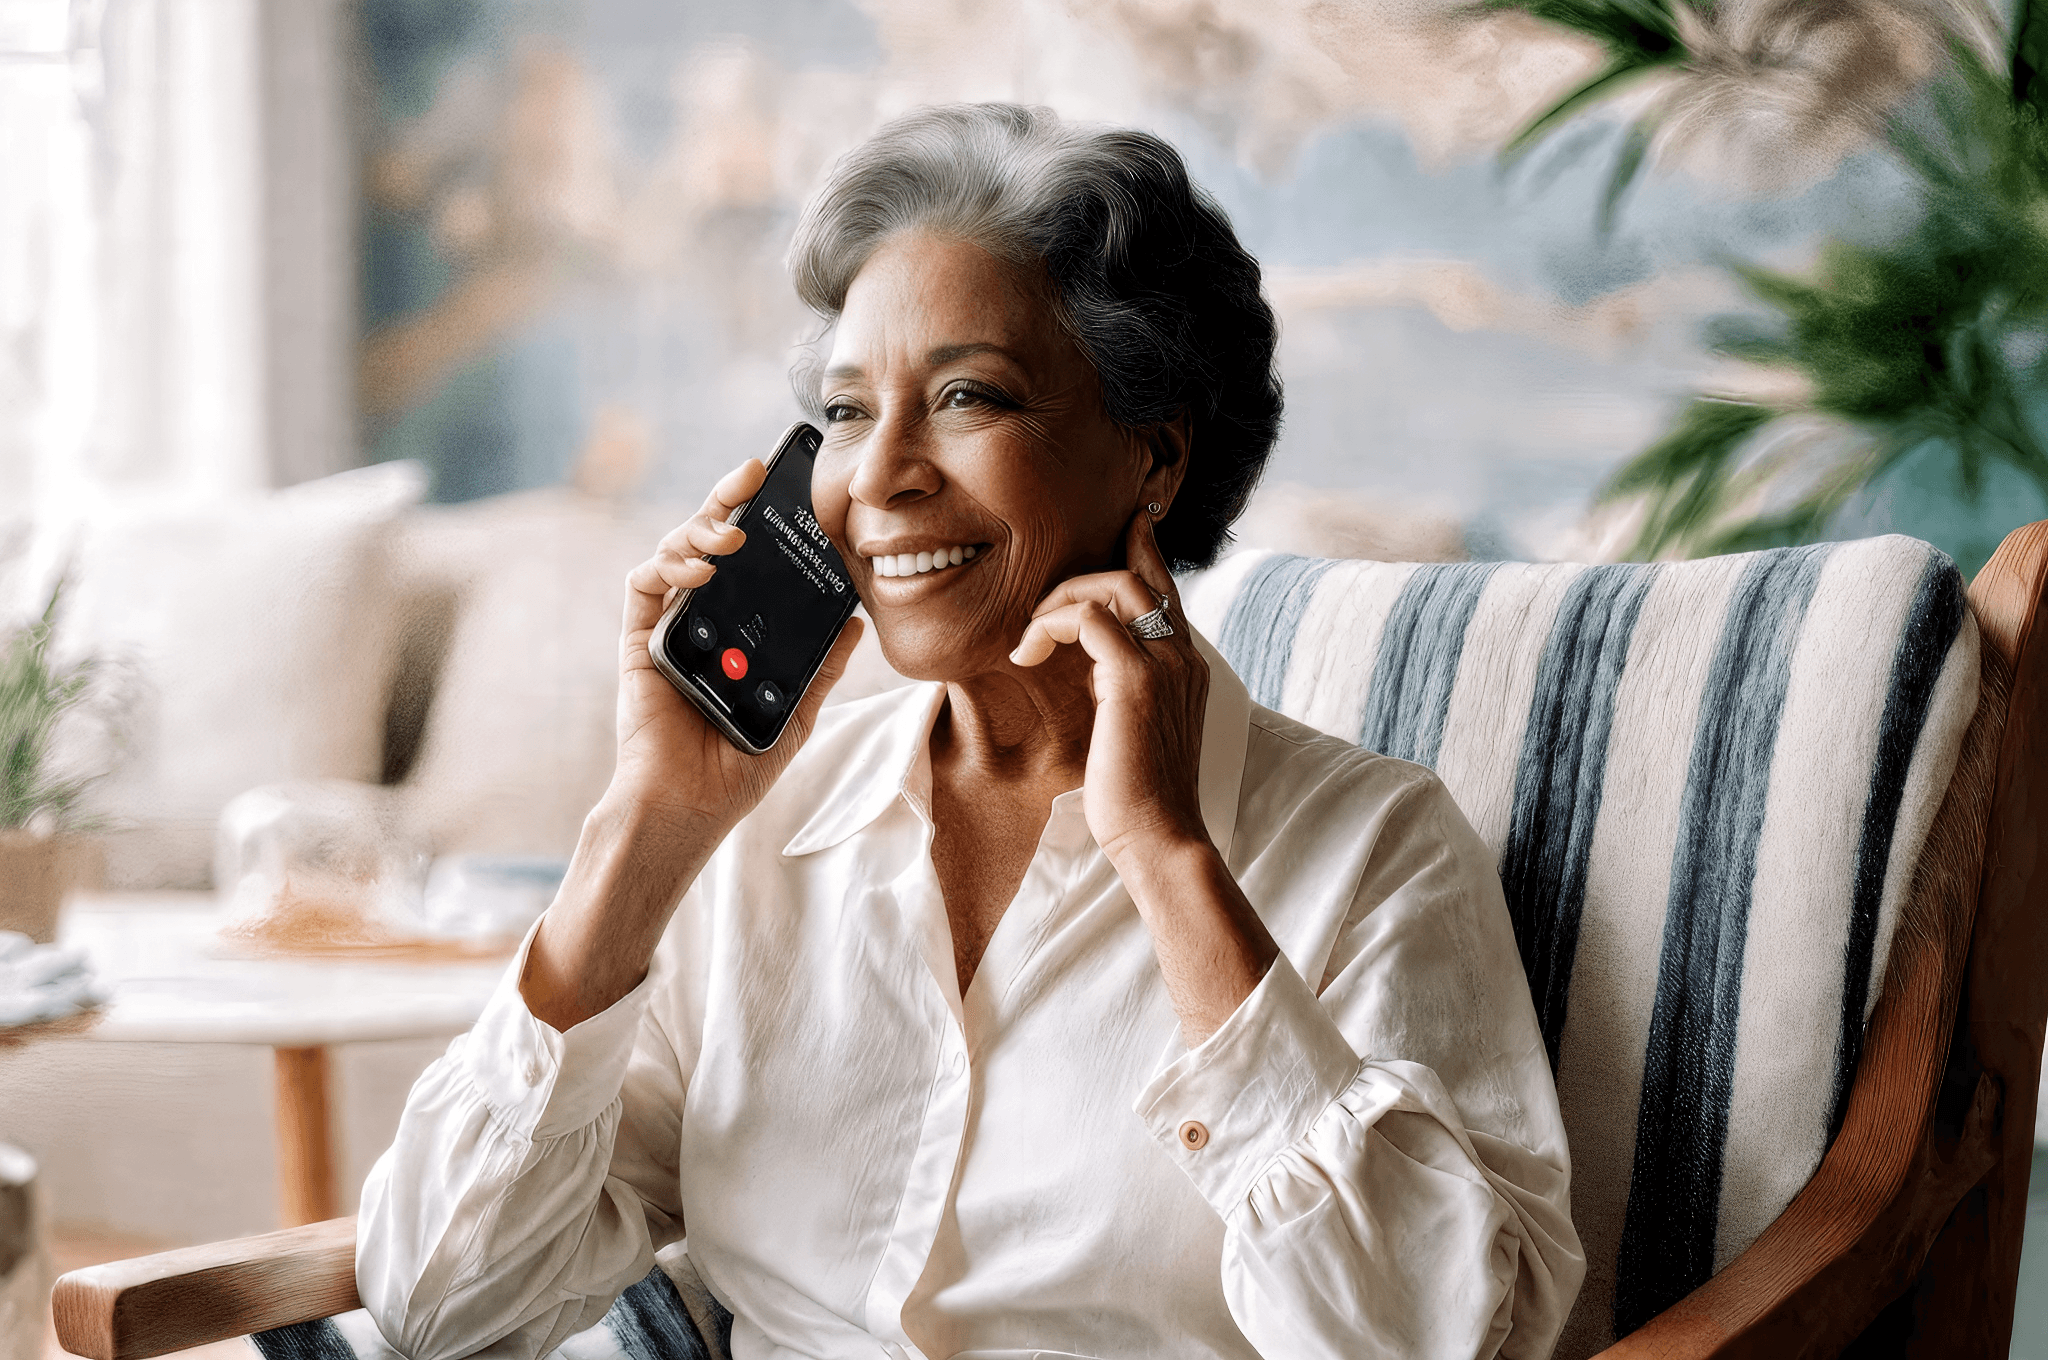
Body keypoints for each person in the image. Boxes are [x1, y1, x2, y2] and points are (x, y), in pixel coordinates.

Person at [357, 103, 1583, 1360]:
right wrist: (647, 821)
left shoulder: (1373, 848)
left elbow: (1439, 1342)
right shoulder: (757, 829)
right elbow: (441, 1303)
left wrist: (1166, 857)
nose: (881, 473)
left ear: (1154, 458)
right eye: (845, 412)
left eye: (964, 396)